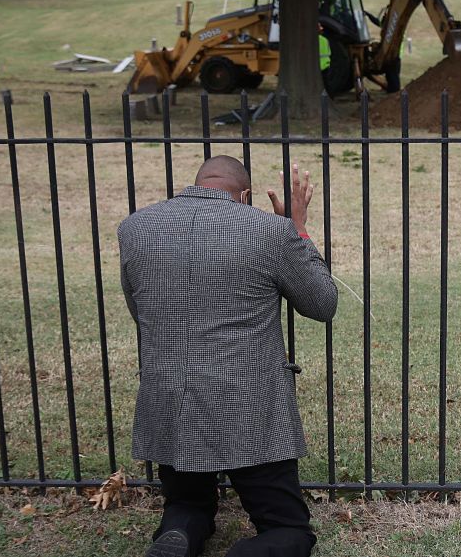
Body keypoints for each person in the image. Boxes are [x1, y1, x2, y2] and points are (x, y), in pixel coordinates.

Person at [120, 156, 338, 557]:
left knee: (186, 502)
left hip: (170, 398)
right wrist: (298, 228)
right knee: (286, 526)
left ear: (198, 183)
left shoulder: (135, 228)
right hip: (248, 406)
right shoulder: (270, 231)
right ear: (246, 195)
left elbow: (142, 313)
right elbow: (322, 304)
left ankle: (181, 532)